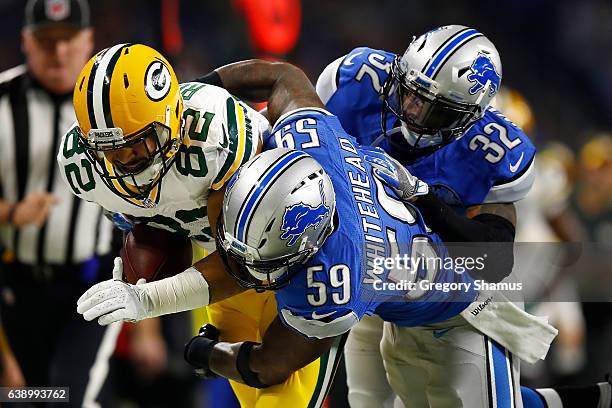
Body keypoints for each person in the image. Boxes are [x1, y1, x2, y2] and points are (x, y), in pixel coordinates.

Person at [75, 58, 561, 408]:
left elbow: (268, 365)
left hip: (460, 311)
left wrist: (206, 354)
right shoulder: (312, 139)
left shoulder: (335, 279)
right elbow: (285, 76)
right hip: (389, 294)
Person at [57, 42, 342, 407]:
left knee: (283, 396)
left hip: (290, 260)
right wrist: (137, 261)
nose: (126, 165)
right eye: (111, 153)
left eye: (139, 145)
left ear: (174, 118)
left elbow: (239, 265)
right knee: (252, 396)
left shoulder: (213, 138)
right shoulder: (81, 168)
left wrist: (148, 299)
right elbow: (143, 227)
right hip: (220, 273)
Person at [0, 0, 117, 405]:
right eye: (47, 40)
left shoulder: (117, 102)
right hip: (18, 286)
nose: (59, 51)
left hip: (92, 285)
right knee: (28, 397)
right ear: (25, 42)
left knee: (63, 399)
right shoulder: (1, 101)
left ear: (88, 41)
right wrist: (12, 213)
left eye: (68, 39)